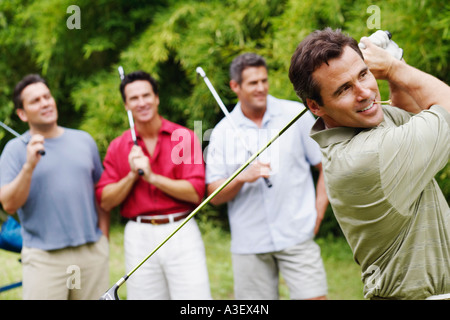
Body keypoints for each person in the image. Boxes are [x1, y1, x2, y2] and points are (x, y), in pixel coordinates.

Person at [289, 28, 450, 300]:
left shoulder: (359, 124)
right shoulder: (366, 158)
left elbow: (409, 111)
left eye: (363, 74)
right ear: (316, 106)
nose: (364, 93)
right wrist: (392, 67)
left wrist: (391, 67)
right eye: (344, 89)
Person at [205, 53, 329, 300]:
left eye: (264, 80)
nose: (261, 88)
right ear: (235, 87)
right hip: (250, 243)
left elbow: (325, 166)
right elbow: (214, 195)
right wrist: (240, 177)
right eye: (252, 83)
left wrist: (318, 211)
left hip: (297, 234)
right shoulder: (222, 132)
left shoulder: (295, 114)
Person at [95, 70, 211, 300]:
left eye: (146, 95)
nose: (141, 103)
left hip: (181, 229)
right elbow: (105, 200)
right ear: (126, 105)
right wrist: (131, 175)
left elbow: (195, 192)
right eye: (134, 98)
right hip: (138, 235)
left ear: (156, 98)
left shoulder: (183, 136)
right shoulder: (118, 146)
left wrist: (152, 177)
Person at [0, 74, 109, 300]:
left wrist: (103, 239)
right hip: (44, 259)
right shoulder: (15, 149)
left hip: (90, 254)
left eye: (47, 96)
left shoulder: (84, 141)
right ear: (22, 114)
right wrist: (29, 165)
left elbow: (102, 195)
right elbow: (9, 204)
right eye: (35, 101)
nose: (45, 103)